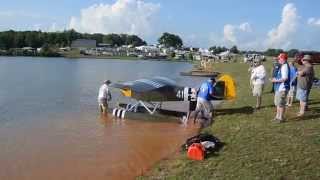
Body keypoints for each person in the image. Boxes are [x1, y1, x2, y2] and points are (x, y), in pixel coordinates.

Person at [270, 53, 290, 122]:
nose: (278, 60)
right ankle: (277, 117)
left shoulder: (284, 66)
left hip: (282, 88)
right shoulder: (282, 66)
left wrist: (275, 80)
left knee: (281, 104)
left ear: (283, 59)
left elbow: (285, 78)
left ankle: (280, 118)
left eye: (279, 58)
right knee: (278, 103)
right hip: (279, 88)